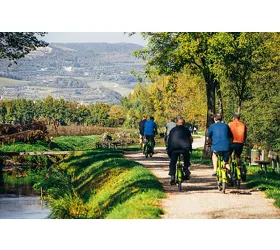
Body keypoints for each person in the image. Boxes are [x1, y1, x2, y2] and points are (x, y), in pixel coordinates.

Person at [167, 117, 193, 185]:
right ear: (184, 124)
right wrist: (189, 144)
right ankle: (186, 168)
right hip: (184, 148)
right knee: (186, 156)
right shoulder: (186, 130)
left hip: (173, 148)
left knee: (173, 161)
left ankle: (172, 176)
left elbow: (168, 139)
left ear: (177, 123)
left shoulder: (172, 130)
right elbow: (191, 139)